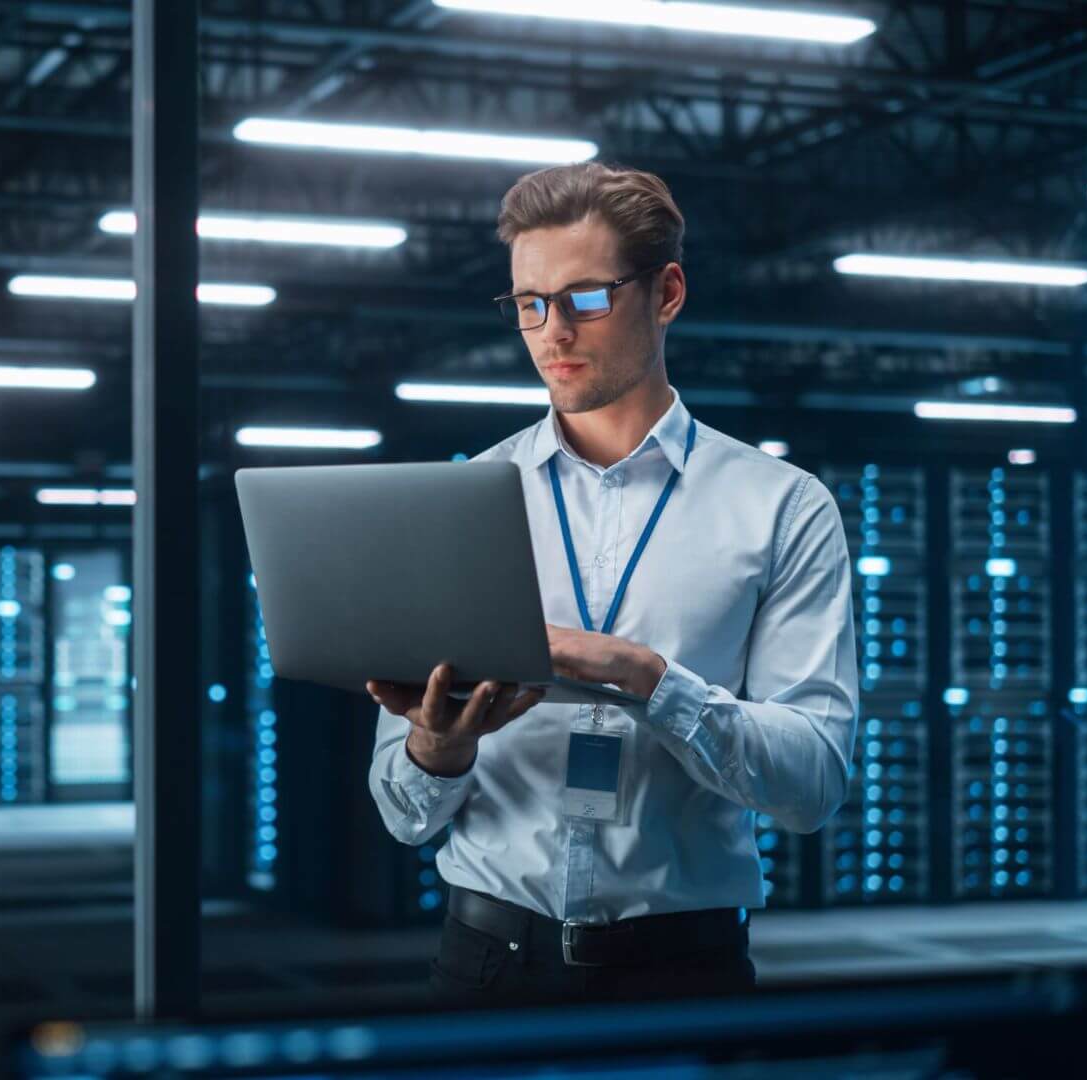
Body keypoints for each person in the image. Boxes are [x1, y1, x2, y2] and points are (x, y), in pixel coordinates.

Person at [366, 161, 859, 1004]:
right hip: (485, 966)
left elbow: (812, 783)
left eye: (585, 297)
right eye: (529, 303)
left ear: (665, 294)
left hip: (684, 975)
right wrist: (438, 749)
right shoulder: (462, 500)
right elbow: (405, 815)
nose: (551, 332)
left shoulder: (782, 507)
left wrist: (646, 678)